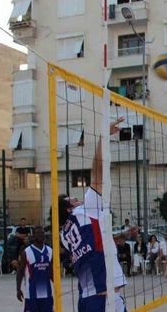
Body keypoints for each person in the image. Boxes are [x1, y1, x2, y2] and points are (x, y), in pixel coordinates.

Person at [57, 118, 130, 312]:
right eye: (73, 199)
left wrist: (122, 236)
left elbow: (96, 241)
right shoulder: (85, 210)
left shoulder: (64, 234)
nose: (77, 198)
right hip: (104, 295)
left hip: (88, 297)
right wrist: (103, 138)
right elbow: (97, 172)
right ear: (68, 209)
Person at [16, 226, 53, 312]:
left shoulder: (50, 250)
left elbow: (51, 271)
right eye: (38, 233)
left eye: (42, 233)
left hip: (47, 294)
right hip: (32, 295)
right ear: (33, 236)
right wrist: (18, 289)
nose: (40, 235)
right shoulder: (27, 252)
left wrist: (58, 286)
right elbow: (20, 272)